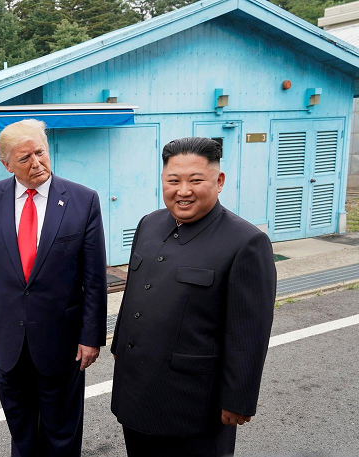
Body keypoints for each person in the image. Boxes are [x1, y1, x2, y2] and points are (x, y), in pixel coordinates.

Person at [111, 137, 276, 457]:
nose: (183, 190)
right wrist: (119, 345)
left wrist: (238, 399)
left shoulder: (246, 242)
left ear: (219, 181)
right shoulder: (149, 224)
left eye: (196, 180)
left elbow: (249, 332)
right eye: (173, 180)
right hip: (135, 391)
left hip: (193, 403)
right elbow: (134, 291)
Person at [0, 119, 107, 457]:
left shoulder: (82, 200)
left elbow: (95, 277)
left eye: (40, 152)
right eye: (25, 158)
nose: (37, 163)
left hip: (62, 338)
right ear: (6, 163)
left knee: (62, 430)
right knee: (20, 426)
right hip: (6, 336)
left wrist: (91, 336)